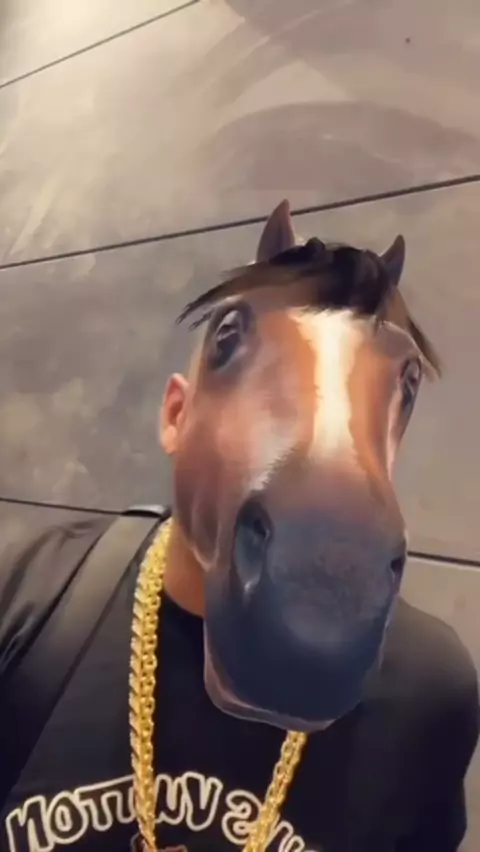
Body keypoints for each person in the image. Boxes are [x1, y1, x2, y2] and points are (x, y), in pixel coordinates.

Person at [0, 202, 478, 852]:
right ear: (176, 414)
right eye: (229, 341)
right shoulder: (28, 606)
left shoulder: (430, 698)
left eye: (408, 385)